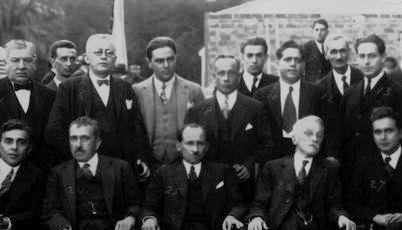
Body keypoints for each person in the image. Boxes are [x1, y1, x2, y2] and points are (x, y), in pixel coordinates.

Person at [46, 34, 150, 175]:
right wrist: (76, 159)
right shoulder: (69, 88)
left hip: (120, 168)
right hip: (81, 168)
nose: (103, 57)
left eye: (109, 53)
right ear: (87, 58)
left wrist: (140, 157)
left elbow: (137, 127)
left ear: (115, 59)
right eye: (98, 52)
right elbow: (55, 130)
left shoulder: (125, 88)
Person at [185, 54, 272, 200]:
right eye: (221, 73)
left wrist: (249, 165)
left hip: (243, 184)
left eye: (231, 73)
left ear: (239, 76)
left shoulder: (255, 108)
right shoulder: (197, 111)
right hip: (208, 183)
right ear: (214, 76)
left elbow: (267, 143)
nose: (226, 78)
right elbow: (189, 145)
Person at [0, 39, 55, 167]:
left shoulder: (49, 95)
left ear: (34, 63)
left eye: (27, 60)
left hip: (38, 175)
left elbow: (51, 140)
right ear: (5, 63)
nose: (22, 66)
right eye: (15, 60)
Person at [341, 35, 402, 172]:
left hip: (384, 169)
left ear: (383, 57)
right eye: (362, 56)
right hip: (353, 170)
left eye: (372, 56)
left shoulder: (399, 92)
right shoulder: (350, 93)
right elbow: (344, 134)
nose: (366, 62)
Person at [132, 36, 205, 168]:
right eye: (159, 61)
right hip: (149, 166)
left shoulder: (194, 91)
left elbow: (203, 131)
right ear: (149, 63)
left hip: (183, 166)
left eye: (170, 59)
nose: (166, 65)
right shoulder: (137, 92)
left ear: (175, 58)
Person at [255, 40, 324, 160]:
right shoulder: (262, 95)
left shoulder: (317, 93)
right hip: (273, 159)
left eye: (298, 60)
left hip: (308, 156)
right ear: (277, 63)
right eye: (288, 59)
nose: (293, 64)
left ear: (304, 65)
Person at [315, 33, 363, 160]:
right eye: (334, 52)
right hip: (333, 155)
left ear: (349, 52)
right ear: (326, 55)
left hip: (362, 153)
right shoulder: (320, 88)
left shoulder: (363, 79)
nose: (339, 56)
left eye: (342, 51)